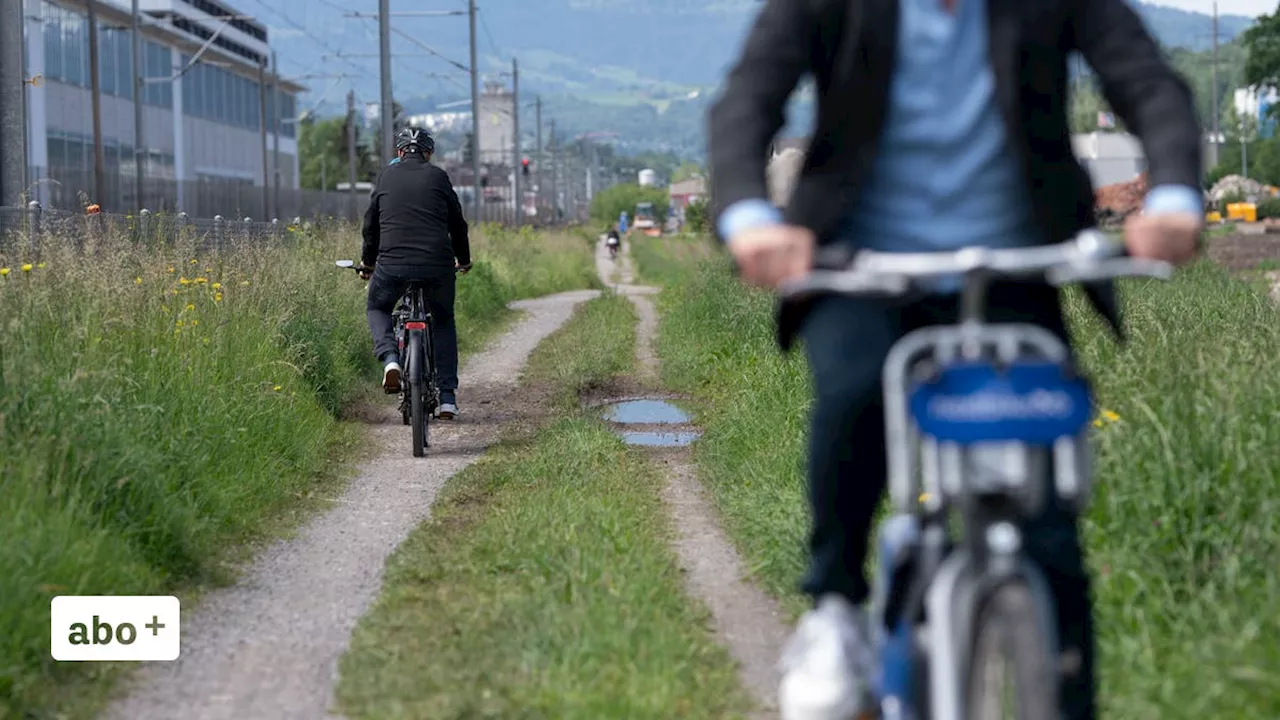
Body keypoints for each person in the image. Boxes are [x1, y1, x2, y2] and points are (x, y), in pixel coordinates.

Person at [707, 1, 1203, 719]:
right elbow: (749, 98)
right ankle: (837, 608)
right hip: (863, 267)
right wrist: (750, 219)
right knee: (854, 394)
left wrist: (1178, 196)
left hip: (1015, 271)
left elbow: (1148, 81)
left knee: (1048, 523)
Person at [361, 126, 472, 419]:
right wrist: (465, 259)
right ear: (428, 154)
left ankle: (390, 359)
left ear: (399, 153)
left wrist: (368, 263)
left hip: (392, 265)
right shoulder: (438, 177)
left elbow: (370, 225)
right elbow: (458, 224)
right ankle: (447, 397)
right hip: (437, 264)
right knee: (443, 321)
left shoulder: (386, 176)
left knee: (378, 306)